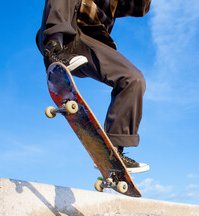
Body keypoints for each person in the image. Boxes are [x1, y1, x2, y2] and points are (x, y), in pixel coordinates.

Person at [36, 0, 151, 173]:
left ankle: (114, 151)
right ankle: (54, 50)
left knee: (133, 79)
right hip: (62, 28)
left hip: (89, 43)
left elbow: (141, 8)